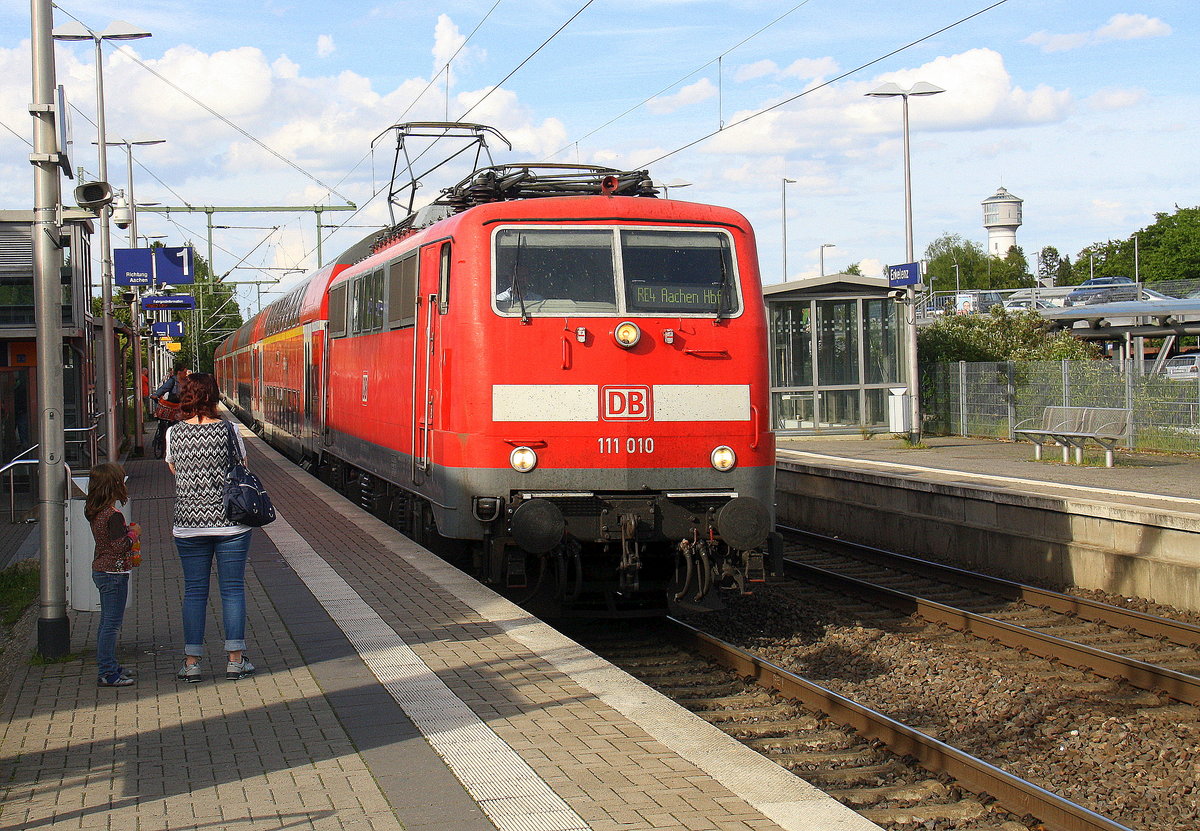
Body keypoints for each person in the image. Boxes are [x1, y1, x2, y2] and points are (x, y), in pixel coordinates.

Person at [166, 372, 255, 683]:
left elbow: (174, 470)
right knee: (231, 590)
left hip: (189, 525)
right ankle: (235, 660)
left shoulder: (173, 433)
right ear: (214, 396)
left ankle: (192, 663)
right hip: (231, 524)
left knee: (194, 592)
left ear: (186, 396)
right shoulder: (229, 430)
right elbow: (242, 467)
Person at [86, 462, 141, 688]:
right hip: (114, 573)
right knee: (111, 624)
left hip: (101, 569)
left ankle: (108, 664)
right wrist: (133, 534)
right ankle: (108, 672)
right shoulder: (113, 514)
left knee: (106, 623)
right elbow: (120, 546)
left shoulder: (95, 511)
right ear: (114, 485)